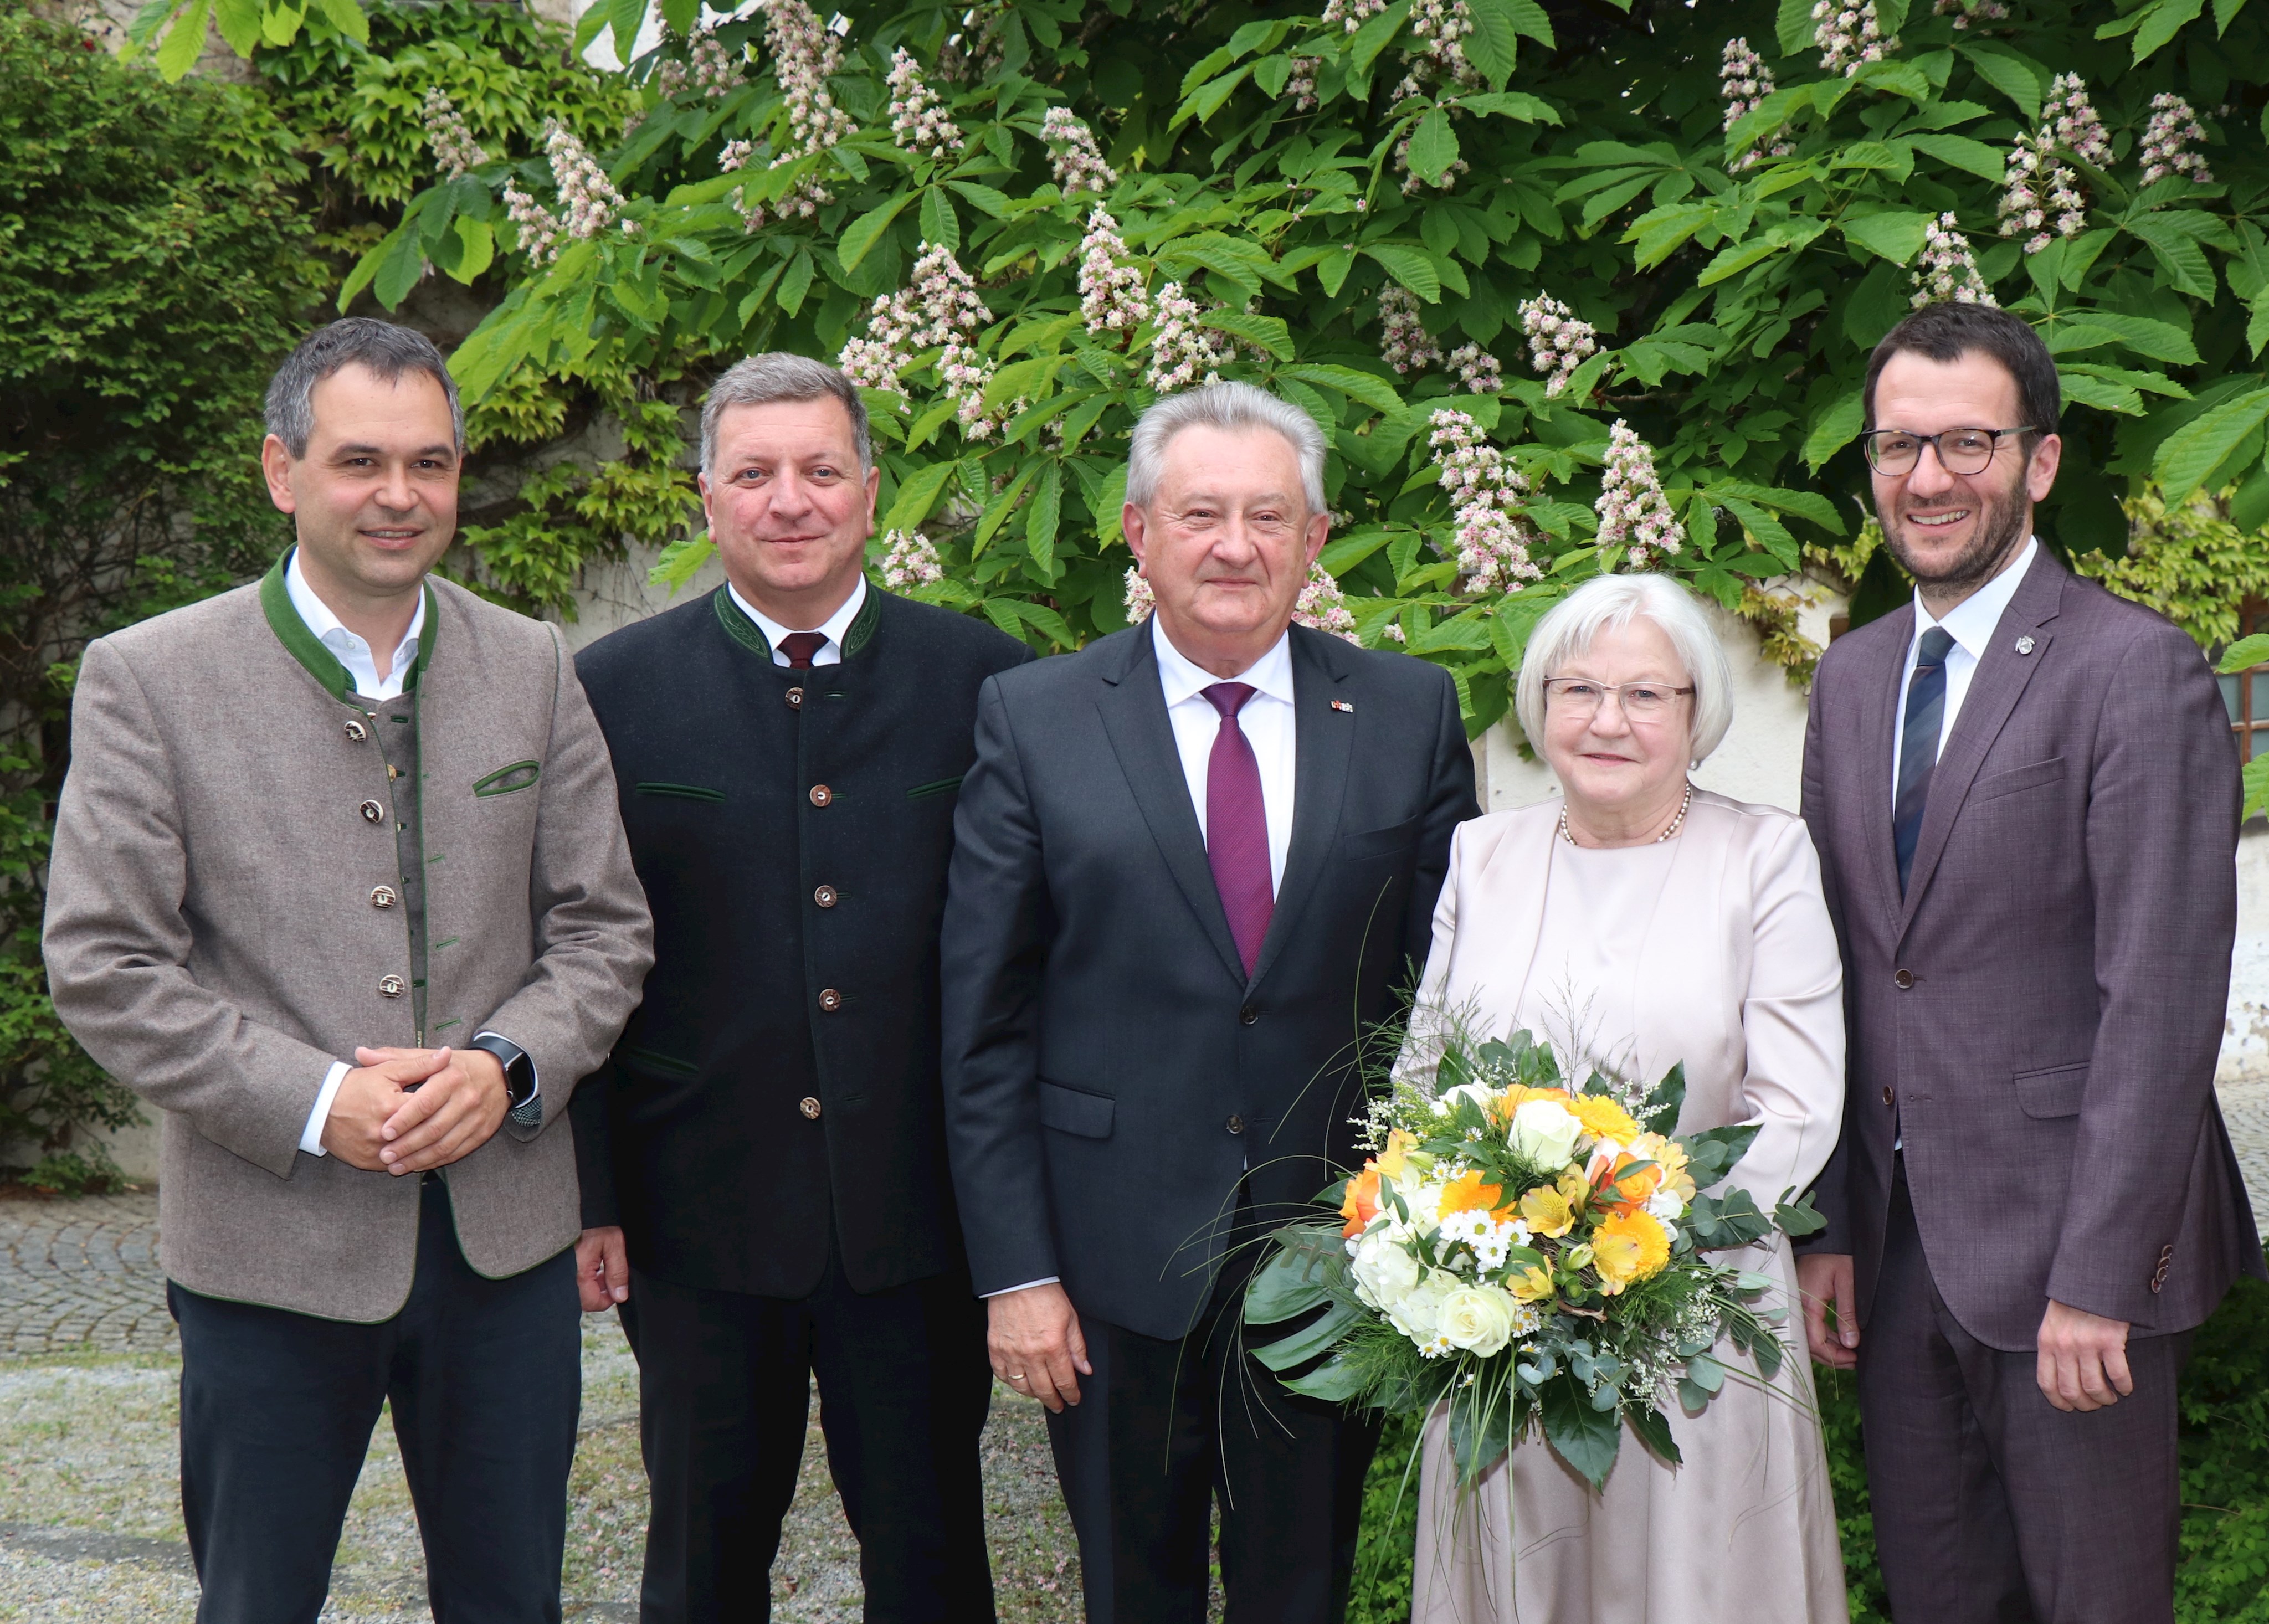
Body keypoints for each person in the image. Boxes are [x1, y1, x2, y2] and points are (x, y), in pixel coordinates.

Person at [42, 317, 654, 1624]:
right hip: (269, 1250)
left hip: (505, 1252)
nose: (398, 495)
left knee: (513, 1602)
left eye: (429, 463)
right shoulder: (149, 678)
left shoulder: (535, 663)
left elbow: (604, 929)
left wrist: (506, 1067)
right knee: (257, 1598)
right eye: (360, 460)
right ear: (282, 471)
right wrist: (322, 1100)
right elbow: (103, 961)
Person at [941, 381, 1479, 1624]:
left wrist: (1433, 1225)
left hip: (1339, 1248)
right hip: (1109, 1255)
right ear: (1138, 532)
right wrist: (1014, 1271)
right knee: (1134, 1587)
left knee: (1304, 1587)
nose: (1232, 545)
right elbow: (981, 1023)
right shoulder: (1036, 716)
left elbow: (1444, 994)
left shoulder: (1407, 713)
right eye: (1199, 514)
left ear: (1314, 538)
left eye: (1264, 514)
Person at [1796, 300, 2264, 1623]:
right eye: (1898, 445)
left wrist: (2095, 1279)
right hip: (1891, 1262)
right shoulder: (1850, 676)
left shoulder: (2135, 669)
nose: (1927, 477)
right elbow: (1841, 966)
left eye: (1965, 442)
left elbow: (2159, 997)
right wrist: (1829, 1223)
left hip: (2073, 1269)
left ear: (2038, 462)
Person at [571, 353, 1030, 1622]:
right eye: (756, 473)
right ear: (705, 495)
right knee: (701, 1564)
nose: (791, 501)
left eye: (821, 471)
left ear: (871, 494)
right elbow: (575, 952)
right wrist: (590, 1192)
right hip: (696, 1217)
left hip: (919, 1217)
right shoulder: (609, 691)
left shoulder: (987, 682)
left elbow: (1027, 961)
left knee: (933, 1561)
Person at [1404, 573, 1849, 1622]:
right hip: (1505, 1321)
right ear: (1537, 704)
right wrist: (1503, 1253)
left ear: (1699, 716)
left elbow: (1796, 1105)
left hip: (1692, 1314)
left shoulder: (1764, 855)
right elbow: (1423, 1080)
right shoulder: (1483, 853)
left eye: (1647, 695)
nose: (1608, 721)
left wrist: (1626, 1247)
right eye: (1579, 690)